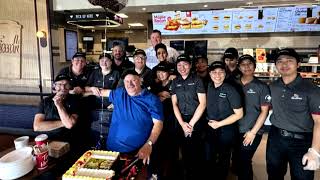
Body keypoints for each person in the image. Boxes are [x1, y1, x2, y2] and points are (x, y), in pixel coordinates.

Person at [267, 48, 320, 179]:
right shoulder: (273, 86)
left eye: (289, 61)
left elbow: (319, 121)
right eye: (280, 61)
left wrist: (314, 151)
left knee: (301, 177)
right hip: (275, 138)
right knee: (274, 174)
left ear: (298, 64)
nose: (284, 65)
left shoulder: (311, 89)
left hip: (301, 142)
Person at [100, 70, 164, 165]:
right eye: (126, 81)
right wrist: (85, 90)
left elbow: (158, 124)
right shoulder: (120, 93)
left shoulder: (151, 99)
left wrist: (149, 144)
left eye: (133, 80)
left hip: (137, 153)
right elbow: (100, 92)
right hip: (111, 151)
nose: (129, 84)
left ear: (140, 80)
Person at [205, 61, 243, 180]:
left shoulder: (230, 89)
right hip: (211, 127)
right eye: (214, 72)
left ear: (225, 74)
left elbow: (239, 114)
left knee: (223, 158)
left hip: (226, 129)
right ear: (210, 74)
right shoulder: (209, 86)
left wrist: (219, 124)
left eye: (221, 72)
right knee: (209, 156)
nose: (217, 75)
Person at [171, 54, 206, 180]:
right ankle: (185, 173)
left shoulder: (197, 80)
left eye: (185, 64)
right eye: (179, 65)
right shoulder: (175, 82)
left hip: (195, 119)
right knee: (183, 149)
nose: (182, 67)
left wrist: (190, 124)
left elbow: (202, 104)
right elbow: (174, 103)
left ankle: (195, 175)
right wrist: (182, 124)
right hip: (180, 120)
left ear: (190, 65)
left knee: (195, 150)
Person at [236, 55, 271, 180]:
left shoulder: (261, 87)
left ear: (255, 66)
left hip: (252, 130)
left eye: (249, 63)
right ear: (239, 67)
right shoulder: (234, 83)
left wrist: (253, 132)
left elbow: (264, 111)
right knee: (238, 160)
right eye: (243, 64)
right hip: (235, 129)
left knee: (245, 160)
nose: (246, 66)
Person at [33, 74, 81, 145]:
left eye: (66, 84)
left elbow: (70, 125)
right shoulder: (45, 101)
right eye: (59, 84)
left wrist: (59, 105)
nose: (63, 87)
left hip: (67, 141)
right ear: (54, 86)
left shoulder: (75, 101)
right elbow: (37, 126)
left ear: (70, 86)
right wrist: (64, 123)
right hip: (46, 140)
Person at [150, 62, 178, 179]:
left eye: (163, 72)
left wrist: (170, 96)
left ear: (169, 73)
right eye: (159, 72)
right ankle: (156, 174)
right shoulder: (155, 86)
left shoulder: (175, 83)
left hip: (172, 121)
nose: (161, 74)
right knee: (157, 147)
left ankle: (172, 173)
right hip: (157, 121)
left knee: (172, 148)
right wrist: (159, 95)